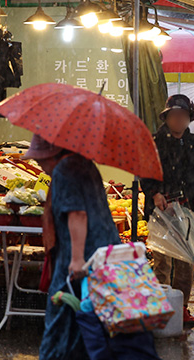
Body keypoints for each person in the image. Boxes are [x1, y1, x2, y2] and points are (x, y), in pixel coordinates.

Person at [31, 134, 121, 359]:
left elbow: (77, 214)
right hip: (103, 257)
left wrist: (77, 258)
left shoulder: (64, 170)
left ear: (50, 155)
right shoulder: (84, 164)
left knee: (61, 323)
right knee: (91, 326)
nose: (40, 167)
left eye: (40, 160)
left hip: (80, 260)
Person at [141, 94, 194, 329]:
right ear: (167, 117)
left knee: (186, 263)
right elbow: (144, 173)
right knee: (162, 263)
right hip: (160, 212)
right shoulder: (154, 142)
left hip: (187, 211)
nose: (179, 120)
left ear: (189, 118)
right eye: (174, 115)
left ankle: (182, 307)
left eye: (183, 116)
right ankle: (160, 307)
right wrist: (155, 193)